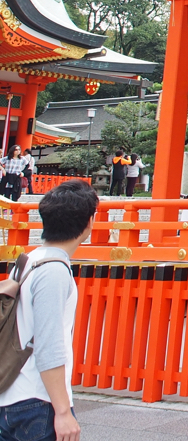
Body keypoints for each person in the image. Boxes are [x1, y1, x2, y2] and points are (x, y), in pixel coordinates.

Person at [0, 179, 98, 441]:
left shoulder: (29, 260)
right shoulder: (54, 270)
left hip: (11, 392)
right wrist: (63, 411)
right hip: (36, 399)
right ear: (89, 222)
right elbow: (48, 345)